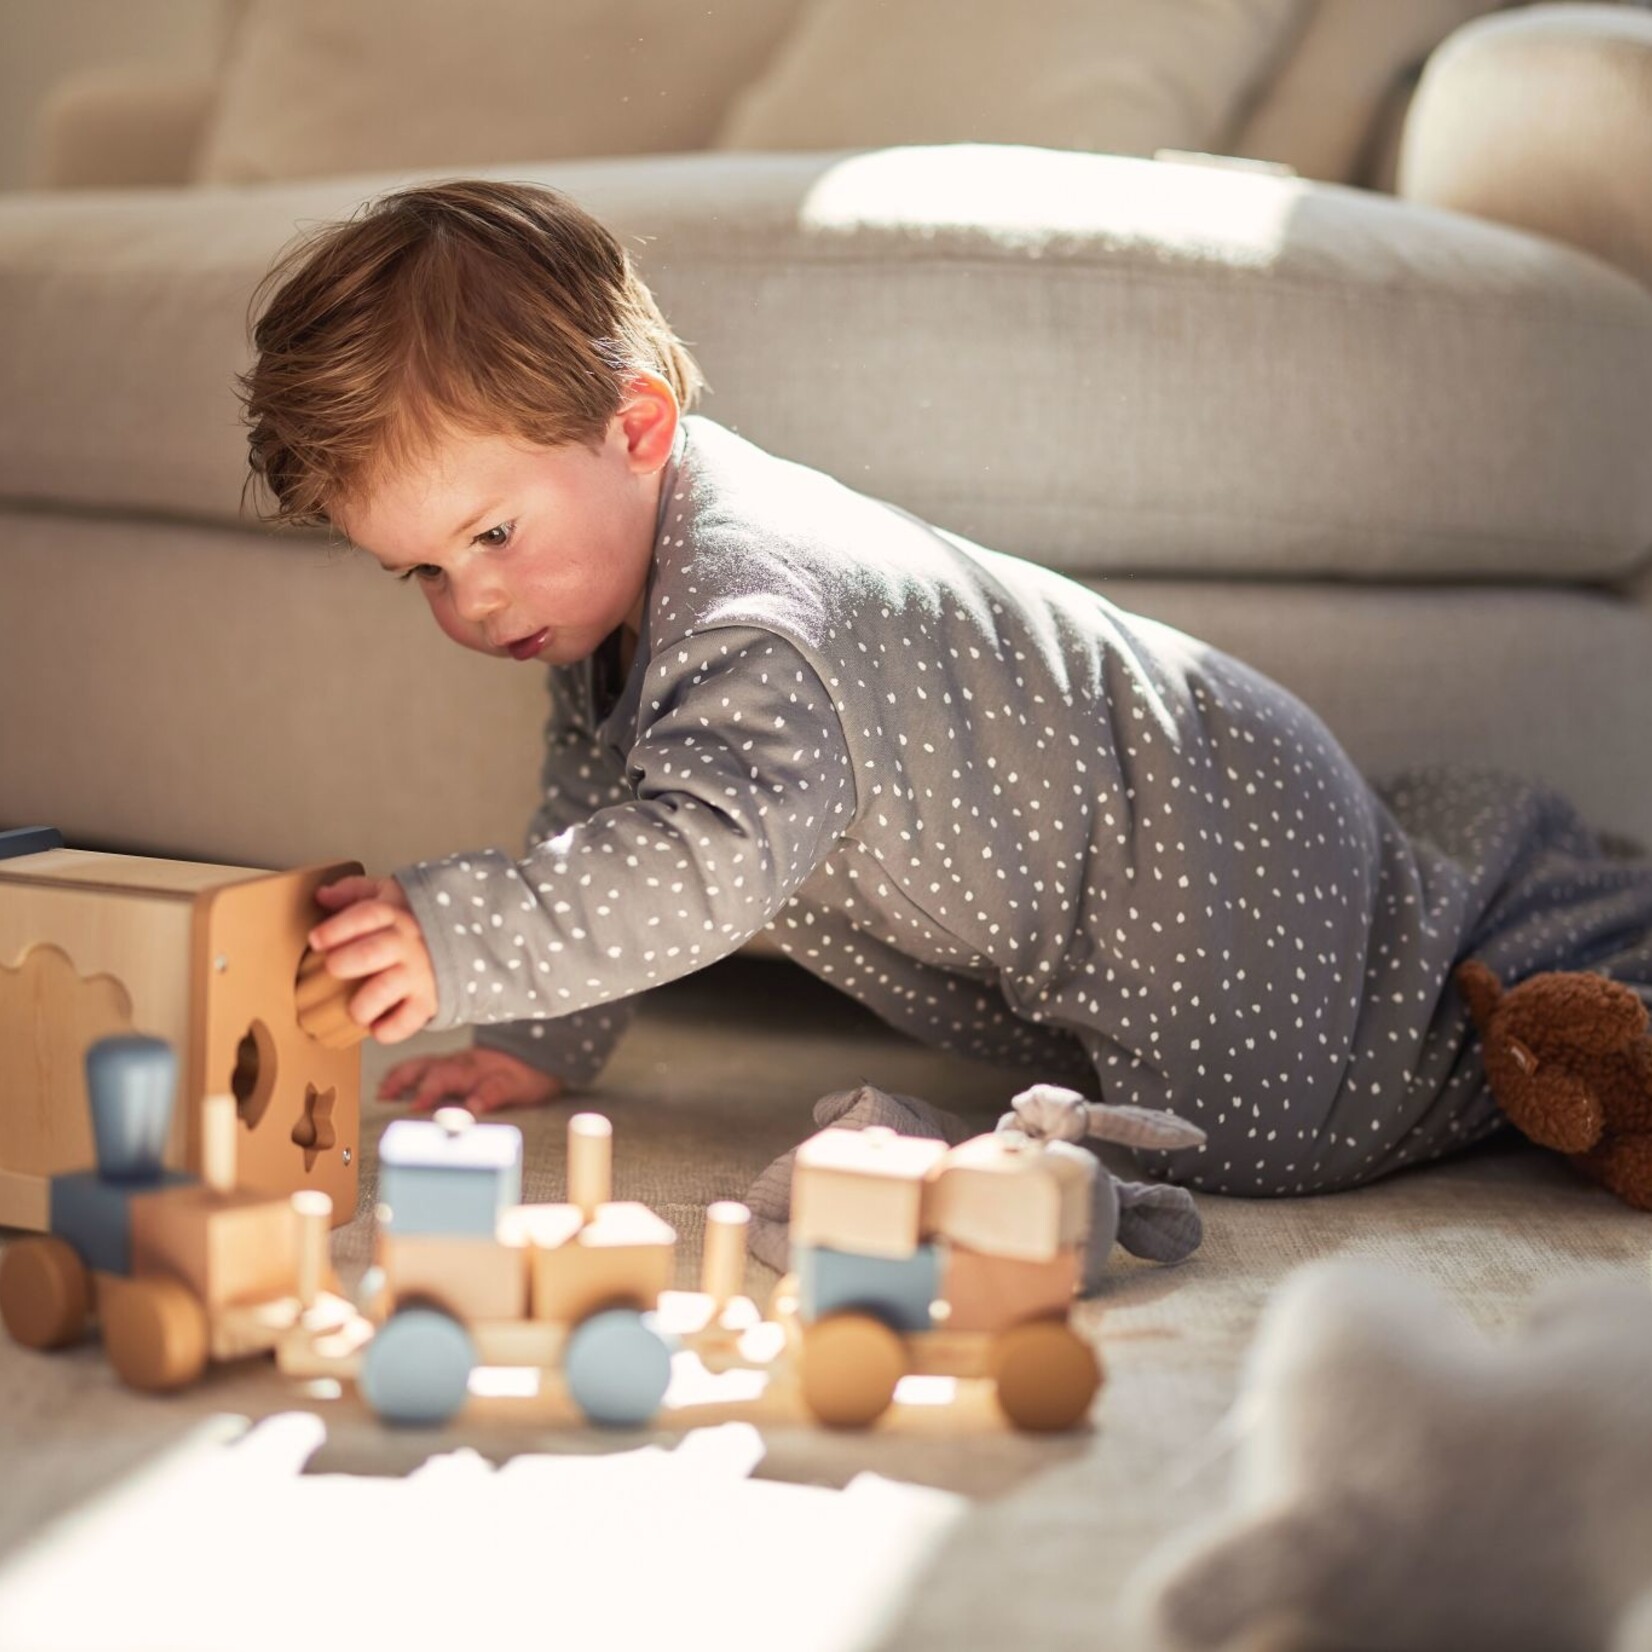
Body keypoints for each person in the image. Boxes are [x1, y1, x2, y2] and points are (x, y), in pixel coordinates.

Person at [240, 178, 1652, 1198]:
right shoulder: (594, 592)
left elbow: (706, 861)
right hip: (1192, 803)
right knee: (1356, 951)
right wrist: (544, 1036)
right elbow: (598, 802)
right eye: (419, 571)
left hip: (1207, 833)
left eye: (490, 536)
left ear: (636, 427)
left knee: (1266, 1131)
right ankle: (1472, 895)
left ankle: (1548, 957)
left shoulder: (754, 614)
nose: (473, 603)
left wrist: (464, 935)